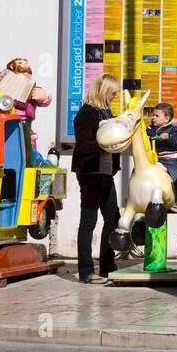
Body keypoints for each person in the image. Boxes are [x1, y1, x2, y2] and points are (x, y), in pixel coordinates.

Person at [72, 73, 120, 284]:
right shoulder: (87, 113)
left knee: (113, 218)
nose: (115, 95)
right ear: (103, 91)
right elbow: (83, 145)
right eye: (113, 91)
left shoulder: (107, 112)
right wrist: (105, 146)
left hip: (106, 172)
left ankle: (107, 265)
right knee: (89, 221)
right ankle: (86, 271)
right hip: (91, 172)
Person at [3, 58, 52, 157]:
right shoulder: (5, 86)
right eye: (20, 63)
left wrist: (44, 97)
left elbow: (44, 101)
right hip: (6, 123)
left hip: (25, 124)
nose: (25, 64)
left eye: (26, 63)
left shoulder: (32, 88)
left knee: (27, 148)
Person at [149, 102, 177, 202]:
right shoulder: (151, 129)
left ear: (167, 119)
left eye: (157, 116)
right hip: (153, 157)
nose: (153, 118)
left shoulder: (174, 130)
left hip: (168, 159)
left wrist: (168, 137)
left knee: (175, 175)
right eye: (153, 115)